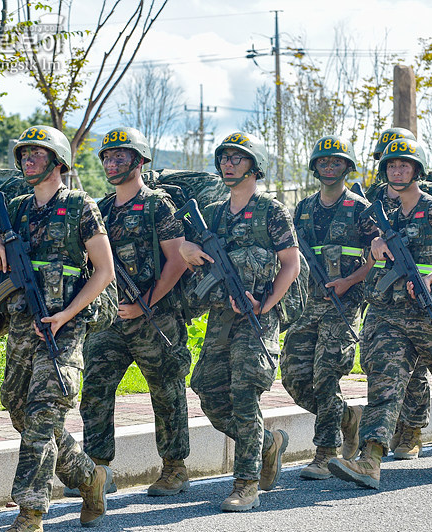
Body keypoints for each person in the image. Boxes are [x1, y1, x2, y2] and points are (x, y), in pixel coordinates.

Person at [328, 138, 432, 488]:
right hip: (386, 313)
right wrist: (375, 245)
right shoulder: (383, 214)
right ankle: (371, 459)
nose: (397, 171)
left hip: (427, 313)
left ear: (416, 171)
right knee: (383, 382)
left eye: (404, 166)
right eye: (392, 166)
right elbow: (369, 258)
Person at [0, 125, 115, 531]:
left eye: (37, 154)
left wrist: (67, 314)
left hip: (64, 327)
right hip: (25, 323)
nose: (28, 160)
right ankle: (86, 475)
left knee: (44, 413)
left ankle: (31, 511)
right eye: (24, 154)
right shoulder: (17, 209)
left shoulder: (80, 205)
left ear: (58, 161)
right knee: (17, 405)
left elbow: (105, 271)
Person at [179, 132, 300, 512]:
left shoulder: (271, 211)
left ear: (254, 165)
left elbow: (291, 263)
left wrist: (266, 306)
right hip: (220, 319)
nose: (228, 164)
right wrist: (187, 248)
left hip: (256, 319)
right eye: (224, 159)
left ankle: (246, 483)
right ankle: (266, 443)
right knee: (208, 391)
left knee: (245, 396)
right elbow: (187, 247)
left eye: (237, 158)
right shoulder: (213, 212)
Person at [78, 127, 191, 497]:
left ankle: (174, 468)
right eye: (107, 157)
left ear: (139, 161)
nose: (112, 163)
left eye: (120, 156)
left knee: (166, 391)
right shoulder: (102, 209)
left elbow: (176, 260)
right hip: (111, 321)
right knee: (95, 388)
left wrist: (147, 303)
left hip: (156, 319)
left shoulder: (158, 204)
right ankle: (97, 469)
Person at [281, 135, 376, 480]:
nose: (329, 166)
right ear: (315, 167)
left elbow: (377, 257)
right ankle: (348, 418)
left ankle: (325, 452)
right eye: (323, 162)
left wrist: (351, 282)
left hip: (343, 304)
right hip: (307, 304)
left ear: (347, 167)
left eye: (336, 161)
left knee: (325, 375)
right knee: (293, 374)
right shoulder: (303, 208)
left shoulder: (360, 209)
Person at [367, 127, 432, 460]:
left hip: (416, 292)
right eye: (385, 160)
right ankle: (377, 435)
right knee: (378, 365)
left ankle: (411, 430)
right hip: (382, 297)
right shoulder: (373, 197)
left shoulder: (426, 198)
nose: (392, 168)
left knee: (416, 370)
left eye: (400, 162)